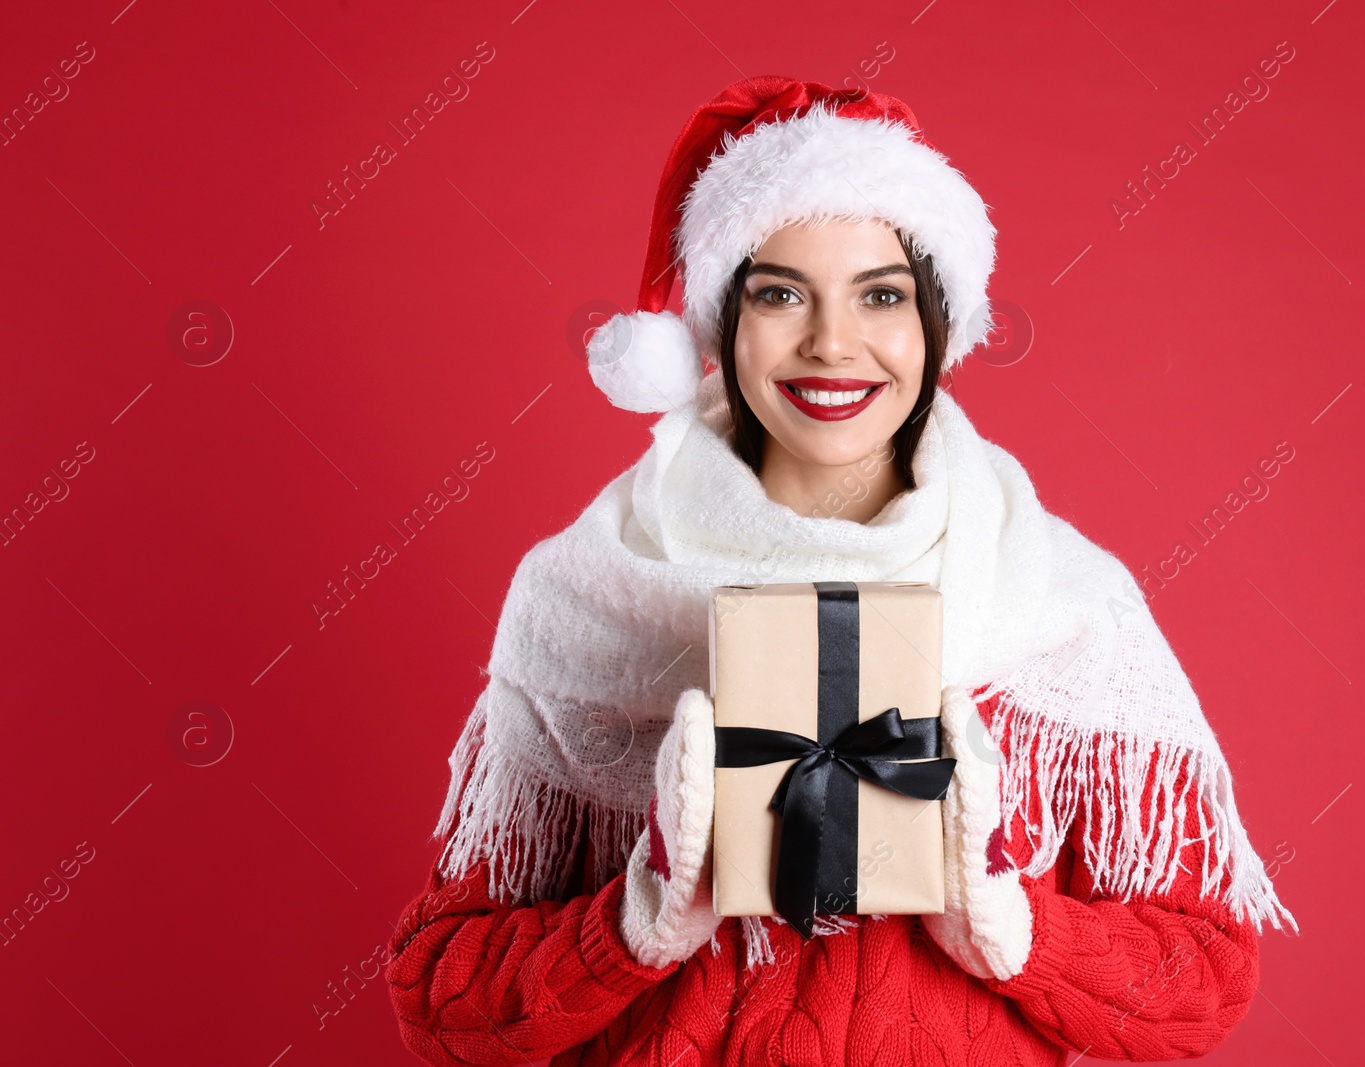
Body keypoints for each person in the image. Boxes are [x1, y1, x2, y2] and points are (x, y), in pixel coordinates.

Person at [384, 76, 1296, 1066]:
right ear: (721, 324)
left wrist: (1014, 928)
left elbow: (1204, 980)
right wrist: (632, 921)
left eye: (881, 294)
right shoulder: (586, 591)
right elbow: (440, 1002)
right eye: (779, 292)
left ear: (936, 324)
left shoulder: (1060, 602)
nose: (831, 343)